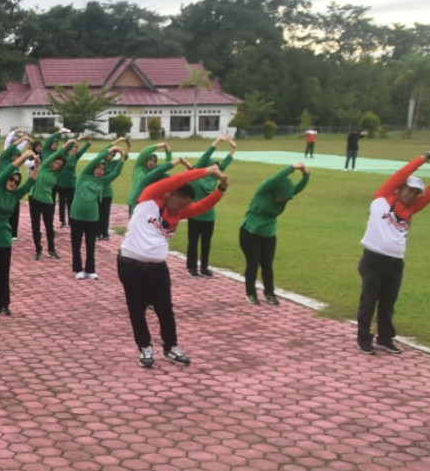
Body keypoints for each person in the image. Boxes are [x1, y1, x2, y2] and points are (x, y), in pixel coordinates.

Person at [117, 165, 228, 368]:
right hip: (130, 265)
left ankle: (171, 348)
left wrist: (221, 190)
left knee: (165, 309)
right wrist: (208, 171)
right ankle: (145, 349)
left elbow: (202, 207)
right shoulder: (150, 197)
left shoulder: (177, 213)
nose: (182, 208)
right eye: (181, 202)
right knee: (137, 309)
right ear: (172, 194)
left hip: (157, 268)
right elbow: (179, 179)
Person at [356, 151, 430, 355]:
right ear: (400, 188)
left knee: (388, 303)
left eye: (416, 192)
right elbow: (402, 173)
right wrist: (424, 158)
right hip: (373, 259)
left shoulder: (413, 207)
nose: (411, 195)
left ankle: (385, 338)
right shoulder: (383, 198)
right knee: (369, 301)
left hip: (396, 263)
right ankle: (364, 338)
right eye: (408, 190)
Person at [238, 163, 310, 305]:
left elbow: (298, 188)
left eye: (287, 198)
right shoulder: (264, 190)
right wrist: (292, 168)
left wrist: (306, 175)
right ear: (277, 191)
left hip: (269, 233)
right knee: (253, 263)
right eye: (282, 197)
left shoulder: (286, 194)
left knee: (267, 264)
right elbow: (275, 179)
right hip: (250, 231)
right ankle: (250, 293)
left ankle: (269, 293)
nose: (284, 200)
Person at [0, 149, 35, 316]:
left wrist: (37, 165)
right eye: (11, 179)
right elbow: (10, 168)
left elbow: (31, 182)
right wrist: (23, 157)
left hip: (3, 239)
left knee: (3, 274)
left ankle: (4, 304)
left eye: (16, 182)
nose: (13, 183)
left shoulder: (15, 195)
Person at [70, 142, 127, 280]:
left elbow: (116, 172)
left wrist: (122, 158)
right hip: (76, 215)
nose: (99, 170)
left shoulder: (102, 181)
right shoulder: (84, 175)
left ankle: (90, 270)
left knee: (91, 245)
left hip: (92, 217)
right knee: (76, 244)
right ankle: (78, 269)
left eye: (102, 169)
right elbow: (95, 160)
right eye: (98, 168)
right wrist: (110, 150)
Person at [185, 135, 235, 277]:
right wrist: (218, 141)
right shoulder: (198, 173)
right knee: (193, 242)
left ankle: (204, 267)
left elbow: (226, 163)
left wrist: (233, 148)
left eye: (217, 167)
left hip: (209, 216)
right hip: (195, 214)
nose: (216, 168)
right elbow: (206, 155)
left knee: (206, 243)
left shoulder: (215, 178)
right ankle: (192, 267)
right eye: (213, 166)